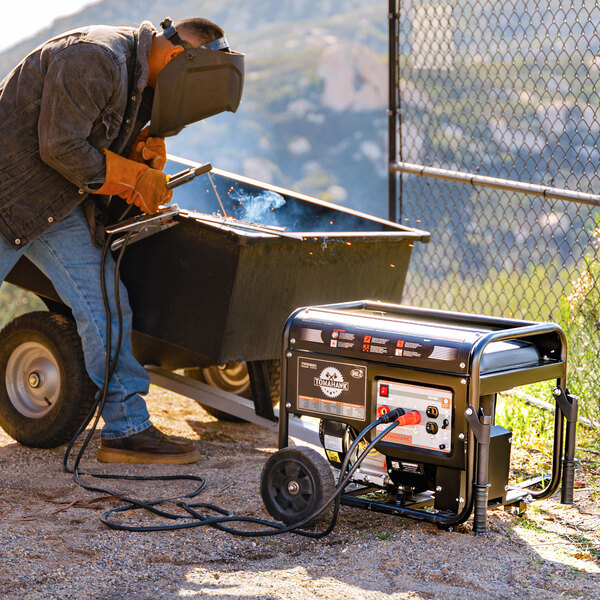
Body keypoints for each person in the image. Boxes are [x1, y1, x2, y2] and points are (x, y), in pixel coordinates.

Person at [0, 17, 240, 464]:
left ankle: (127, 429)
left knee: (106, 304)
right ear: (174, 59)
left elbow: (93, 144)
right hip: (5, 190)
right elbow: (62, 147)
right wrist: (131, 179)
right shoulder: (96, 58)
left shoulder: (137, 77)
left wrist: (139, 153)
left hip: (49, 204)